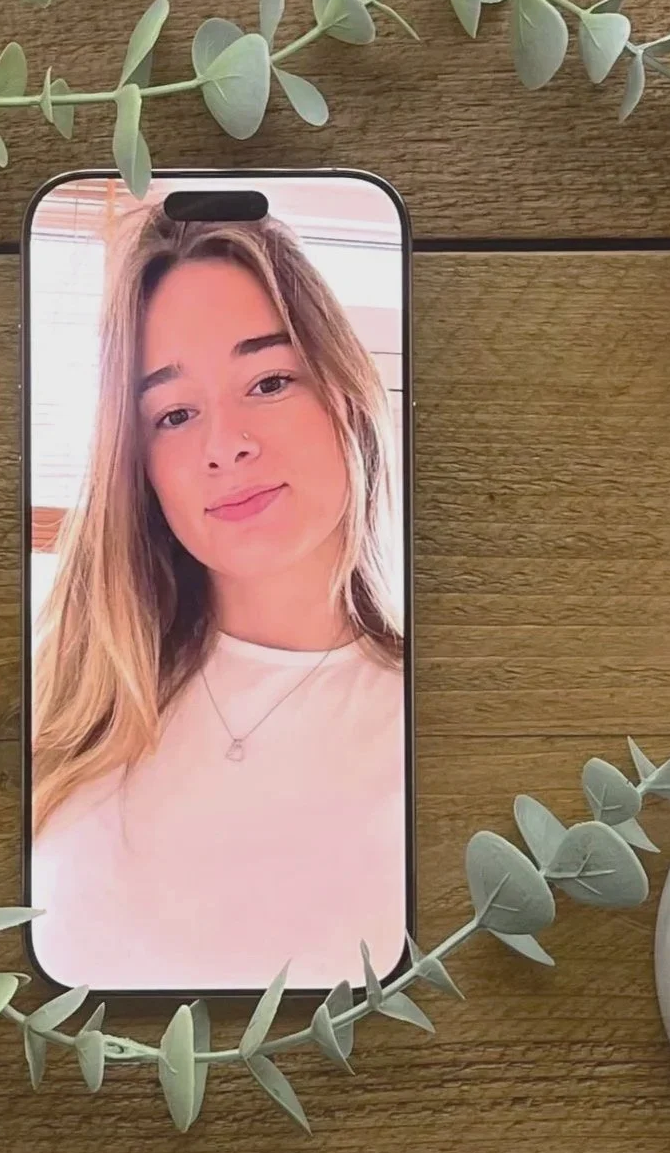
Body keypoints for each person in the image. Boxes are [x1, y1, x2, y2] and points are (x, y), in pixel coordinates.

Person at [30, 199, 407, 991]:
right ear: (138, 466)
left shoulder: (440, 718)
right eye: (173, 413)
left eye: (268, 381)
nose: (224, 444)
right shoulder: (67, 704)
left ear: (343, 394)